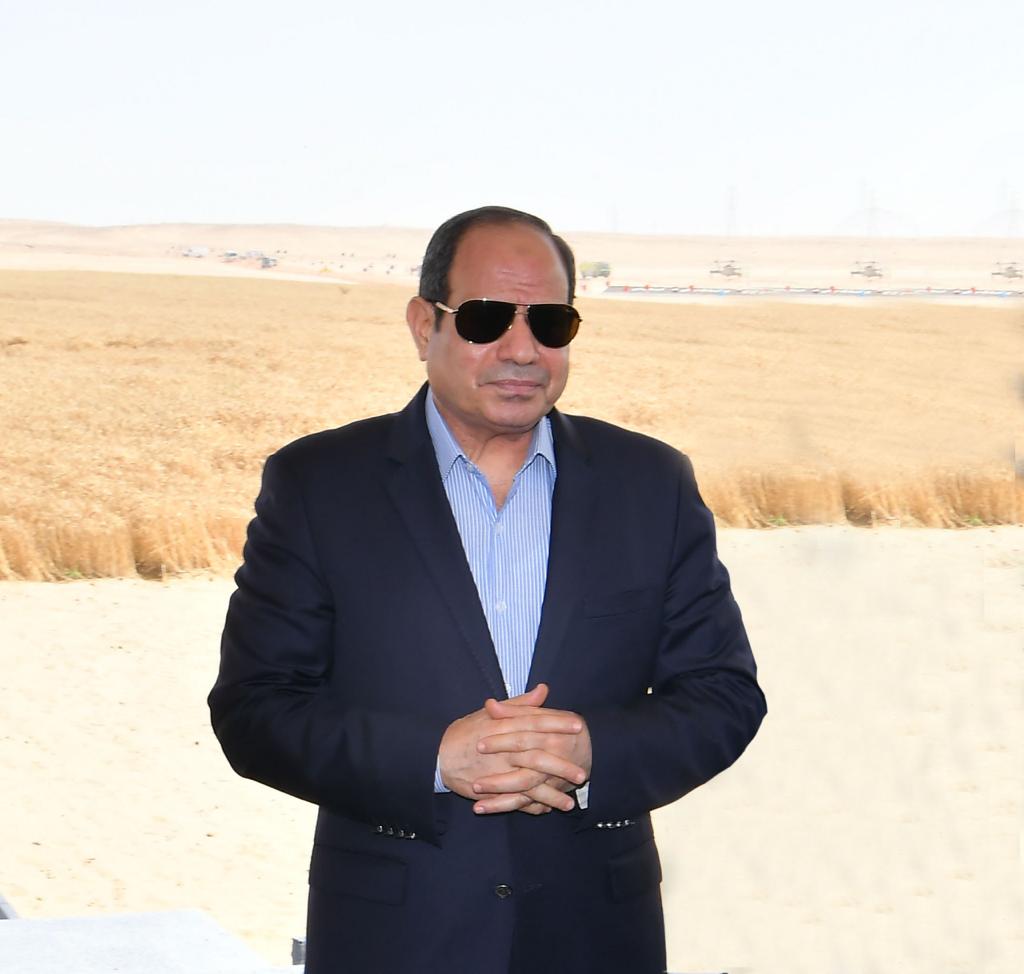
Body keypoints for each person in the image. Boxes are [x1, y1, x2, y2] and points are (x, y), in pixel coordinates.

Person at [209, 205, 766, 974]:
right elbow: (255, 709)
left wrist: (592, 752)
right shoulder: (320, 485)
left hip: (597, 938)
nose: (522, 349)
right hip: (395, 940)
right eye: (485, 318)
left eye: (550, 323)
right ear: (423, 326)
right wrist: (434, 759)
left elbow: (723, 696)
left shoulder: (650, 484)